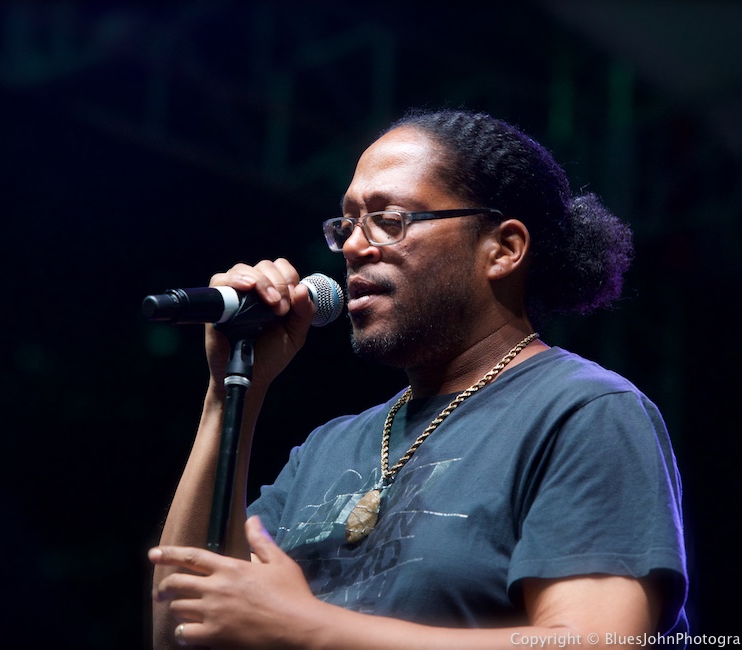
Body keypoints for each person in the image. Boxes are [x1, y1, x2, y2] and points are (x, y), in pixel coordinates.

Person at [149, 109, 688, 649]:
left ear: (502, 249)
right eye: (349, 224)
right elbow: (180, 632)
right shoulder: (327, 450)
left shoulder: (585, 411)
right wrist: (228, 393)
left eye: (390, 219)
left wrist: (308, 629)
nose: (356, 247)